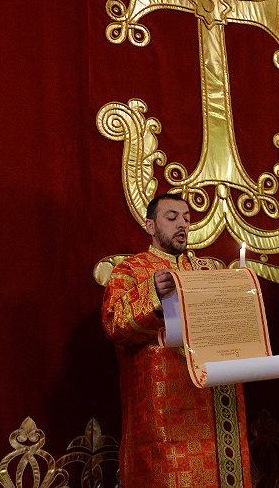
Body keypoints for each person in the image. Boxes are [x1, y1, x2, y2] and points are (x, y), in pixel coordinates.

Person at [101, 193, 252, 488]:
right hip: (163, 406)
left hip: (215, 397)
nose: (182, 224)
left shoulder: (209, 270)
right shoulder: (129, 270)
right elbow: (114, 325)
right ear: (150, 226)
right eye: (171, 218)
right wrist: (151, 294)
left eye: (186, 218)